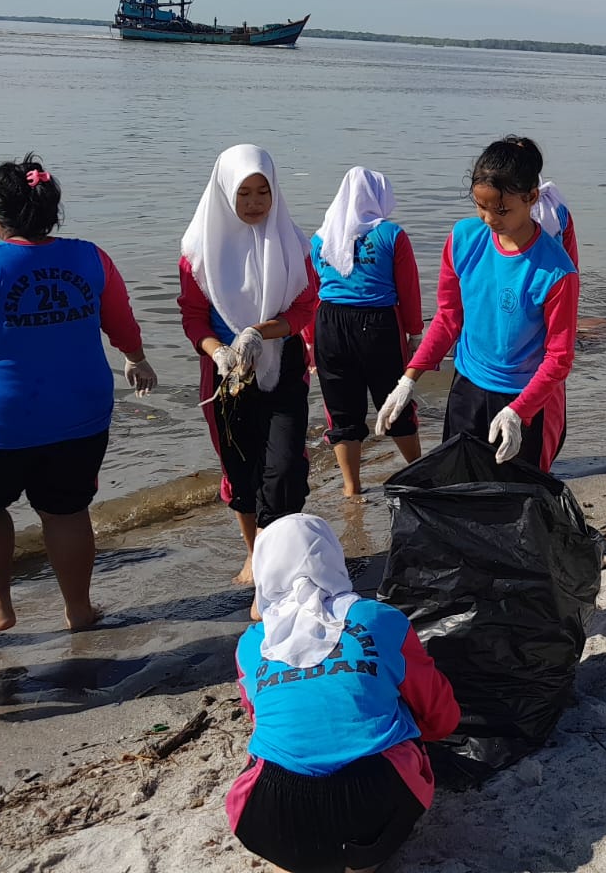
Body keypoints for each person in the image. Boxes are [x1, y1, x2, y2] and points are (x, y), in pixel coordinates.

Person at [0, 155, 155, 641]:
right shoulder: (92, 257)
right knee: (66, 509)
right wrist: (136, 358)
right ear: (53, 210)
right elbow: (122, 325)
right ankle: (79, 609)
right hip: (81, 410)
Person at [228, 514, 459, 873]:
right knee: (397, 710)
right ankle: (361, 861)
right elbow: (439, 714)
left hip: (271, 815)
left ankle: (302, 858)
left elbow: (258, 721)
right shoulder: (379, 619)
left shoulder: (250, 645)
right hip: (374, 801)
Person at [376, 137, 578, 472]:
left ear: (531, 198)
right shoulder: (463, 240)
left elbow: (560, 358)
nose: (488, 219)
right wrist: (409, 379)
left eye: (500, 210)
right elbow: (448, 318)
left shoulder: (555, 271)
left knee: (517, 497)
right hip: (469, 389)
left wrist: (519, 411)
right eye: (480, 206)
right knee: (460, 488)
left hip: (527, 397)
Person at [180, 145, 319, 585]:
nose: (255, 203)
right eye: (244, 194)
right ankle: (256, 554)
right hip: (226, 376)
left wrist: (260, 332)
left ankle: (273, 561)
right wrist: (218, 350)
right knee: (240, 471)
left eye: (263, 192)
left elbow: (305, 309)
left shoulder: (293, 245)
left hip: (282, 367)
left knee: (283, 467)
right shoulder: (197, 252)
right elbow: (193, 317)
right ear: (225, 194)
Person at [311, 168, 423, 495]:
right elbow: (409, 289)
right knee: (395, 402)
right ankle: (417, 474)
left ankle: (351, 488)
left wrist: (308, 342)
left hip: (329, 325)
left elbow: (310, 293)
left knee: (342, 410)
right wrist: (415, 333)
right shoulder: (392, 235)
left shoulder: (320, 237)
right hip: (377, 326)